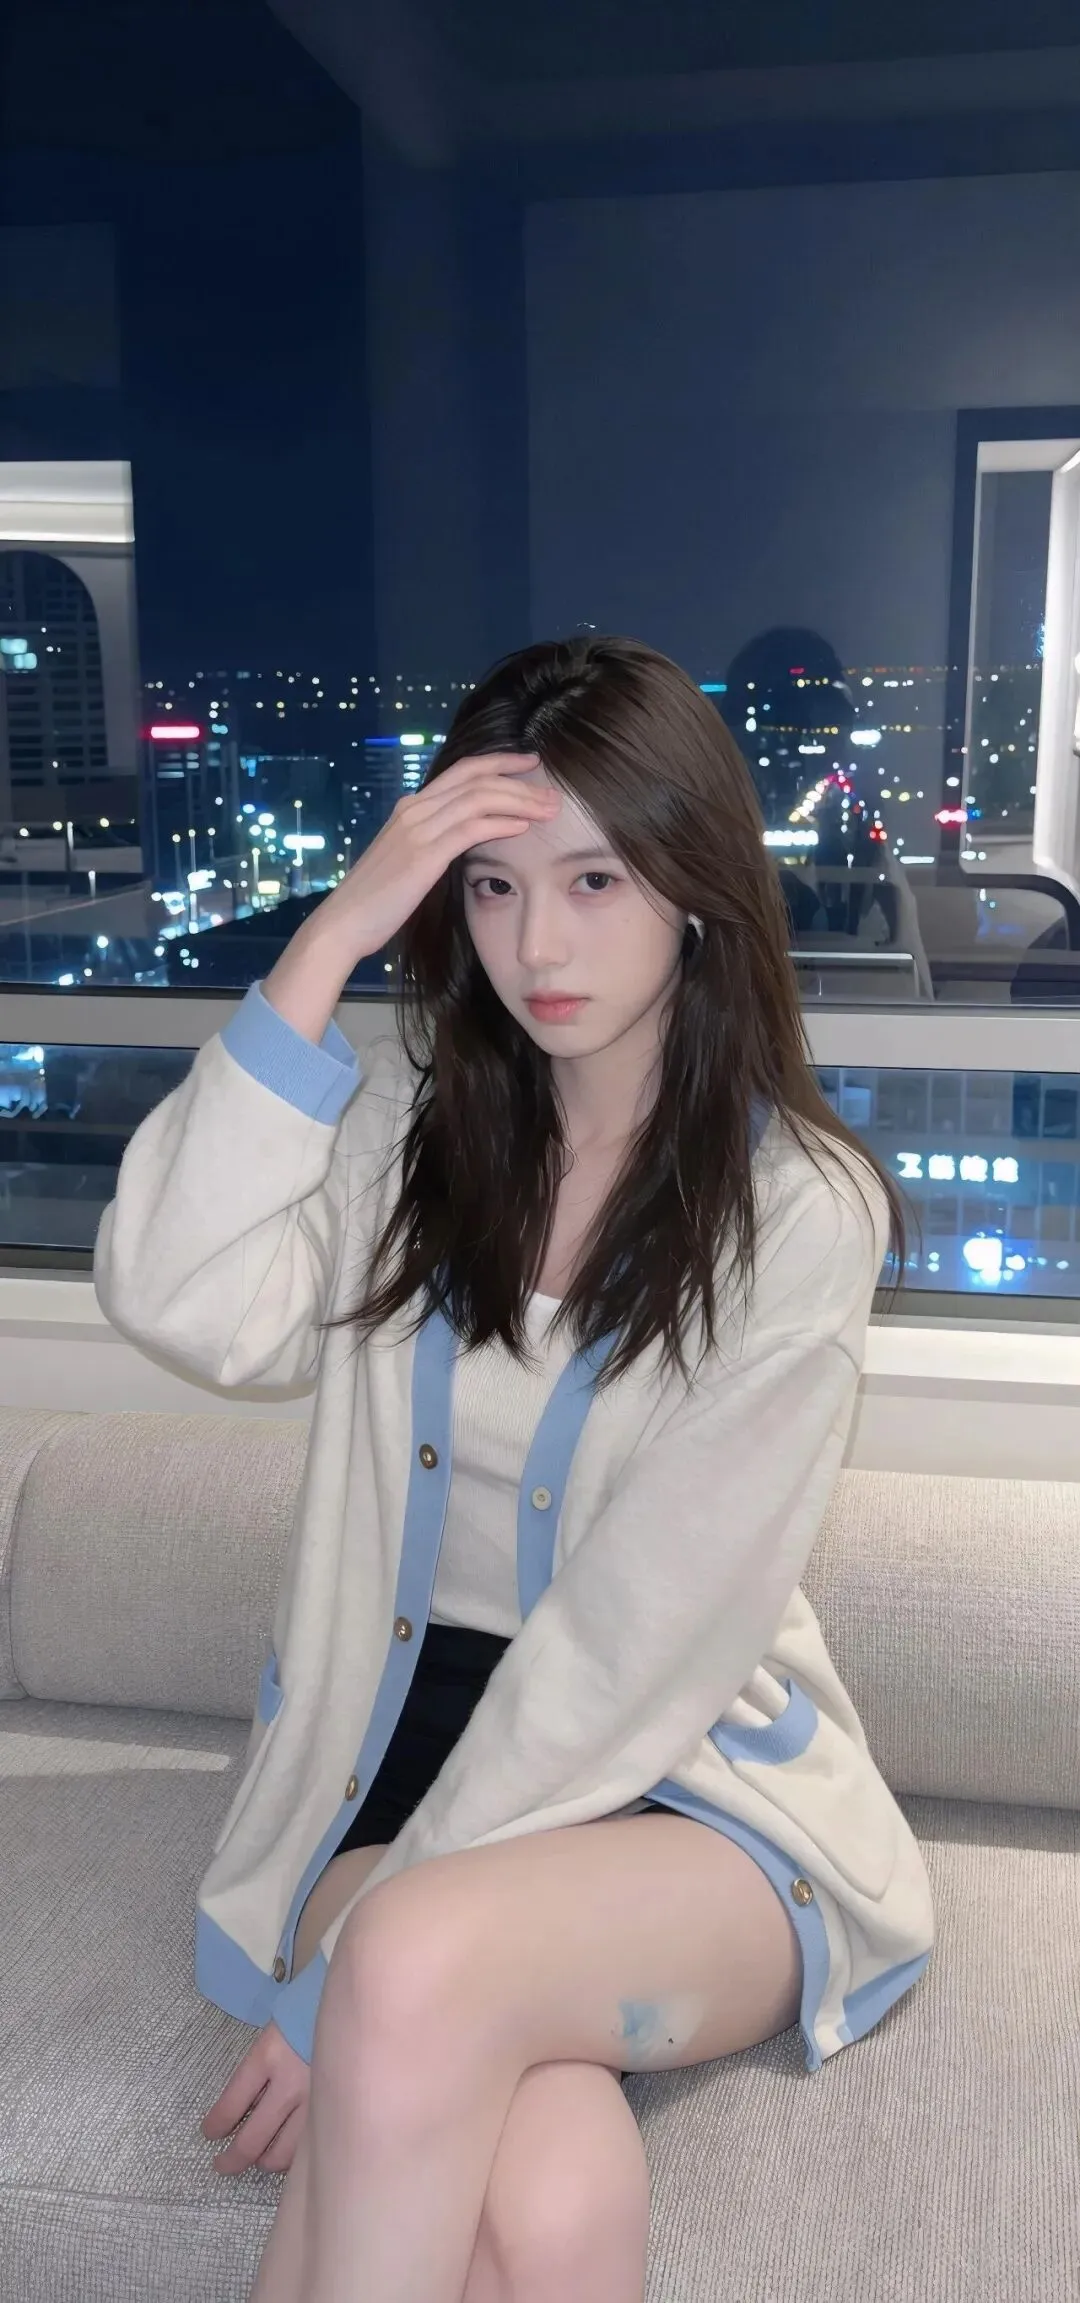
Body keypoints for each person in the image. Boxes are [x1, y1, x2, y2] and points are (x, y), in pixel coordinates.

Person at [93, 633, 935, 2303]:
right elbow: (173, 1291)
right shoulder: (408, 1135)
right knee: (540, 2214)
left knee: (403, 1959)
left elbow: (639, 1643)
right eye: (488, 886)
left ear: (695, 886)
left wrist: (336, 1991)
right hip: (400, 1766)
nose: (537, 943)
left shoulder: (798, 1214)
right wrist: (331, 935)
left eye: (594, 880)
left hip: (685, 1787)